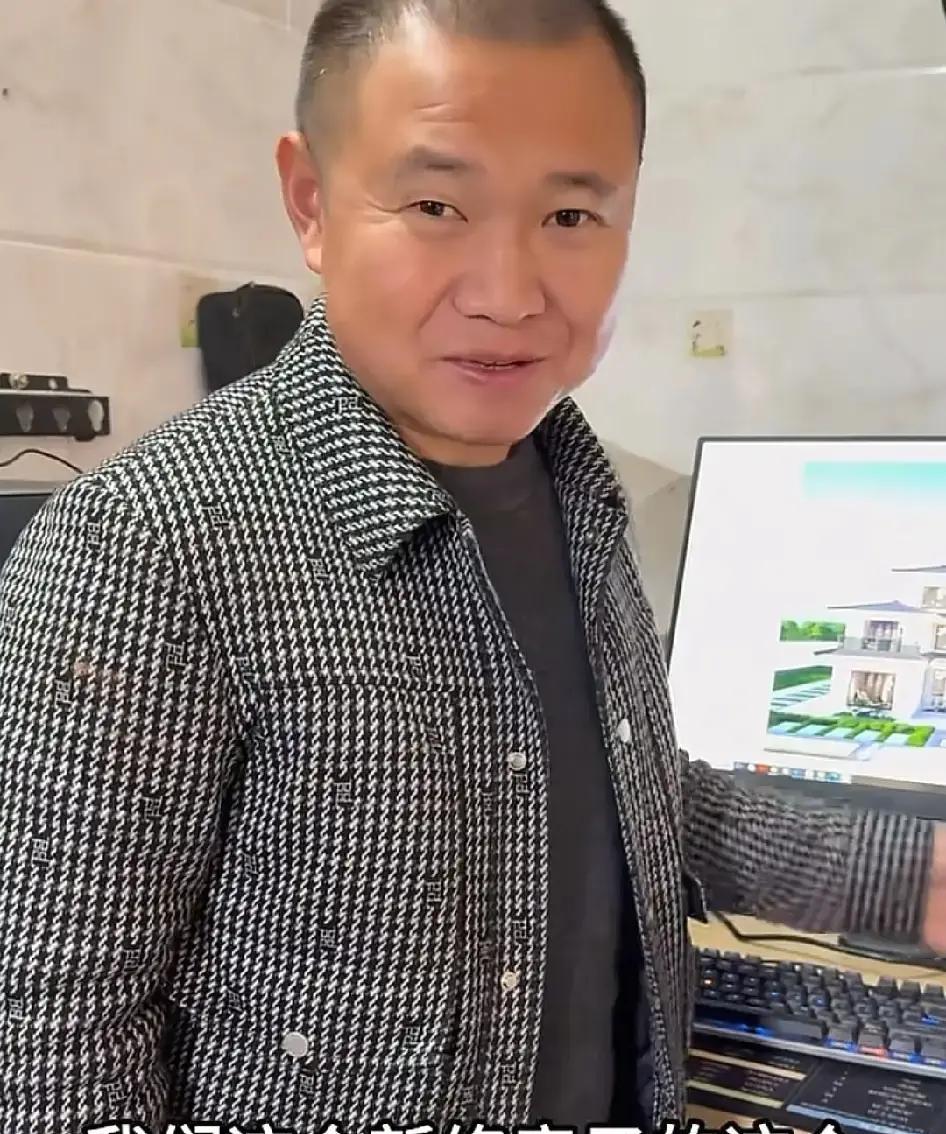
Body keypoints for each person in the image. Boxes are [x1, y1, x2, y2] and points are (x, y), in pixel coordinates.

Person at [1, 1, 945, 1131]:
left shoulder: (579, 496)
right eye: (435, 206)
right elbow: (50, 1031)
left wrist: (915, 878)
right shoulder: (145, 546)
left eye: (570, 214)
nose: (508, 292)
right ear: (310, 202)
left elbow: (633, 794)